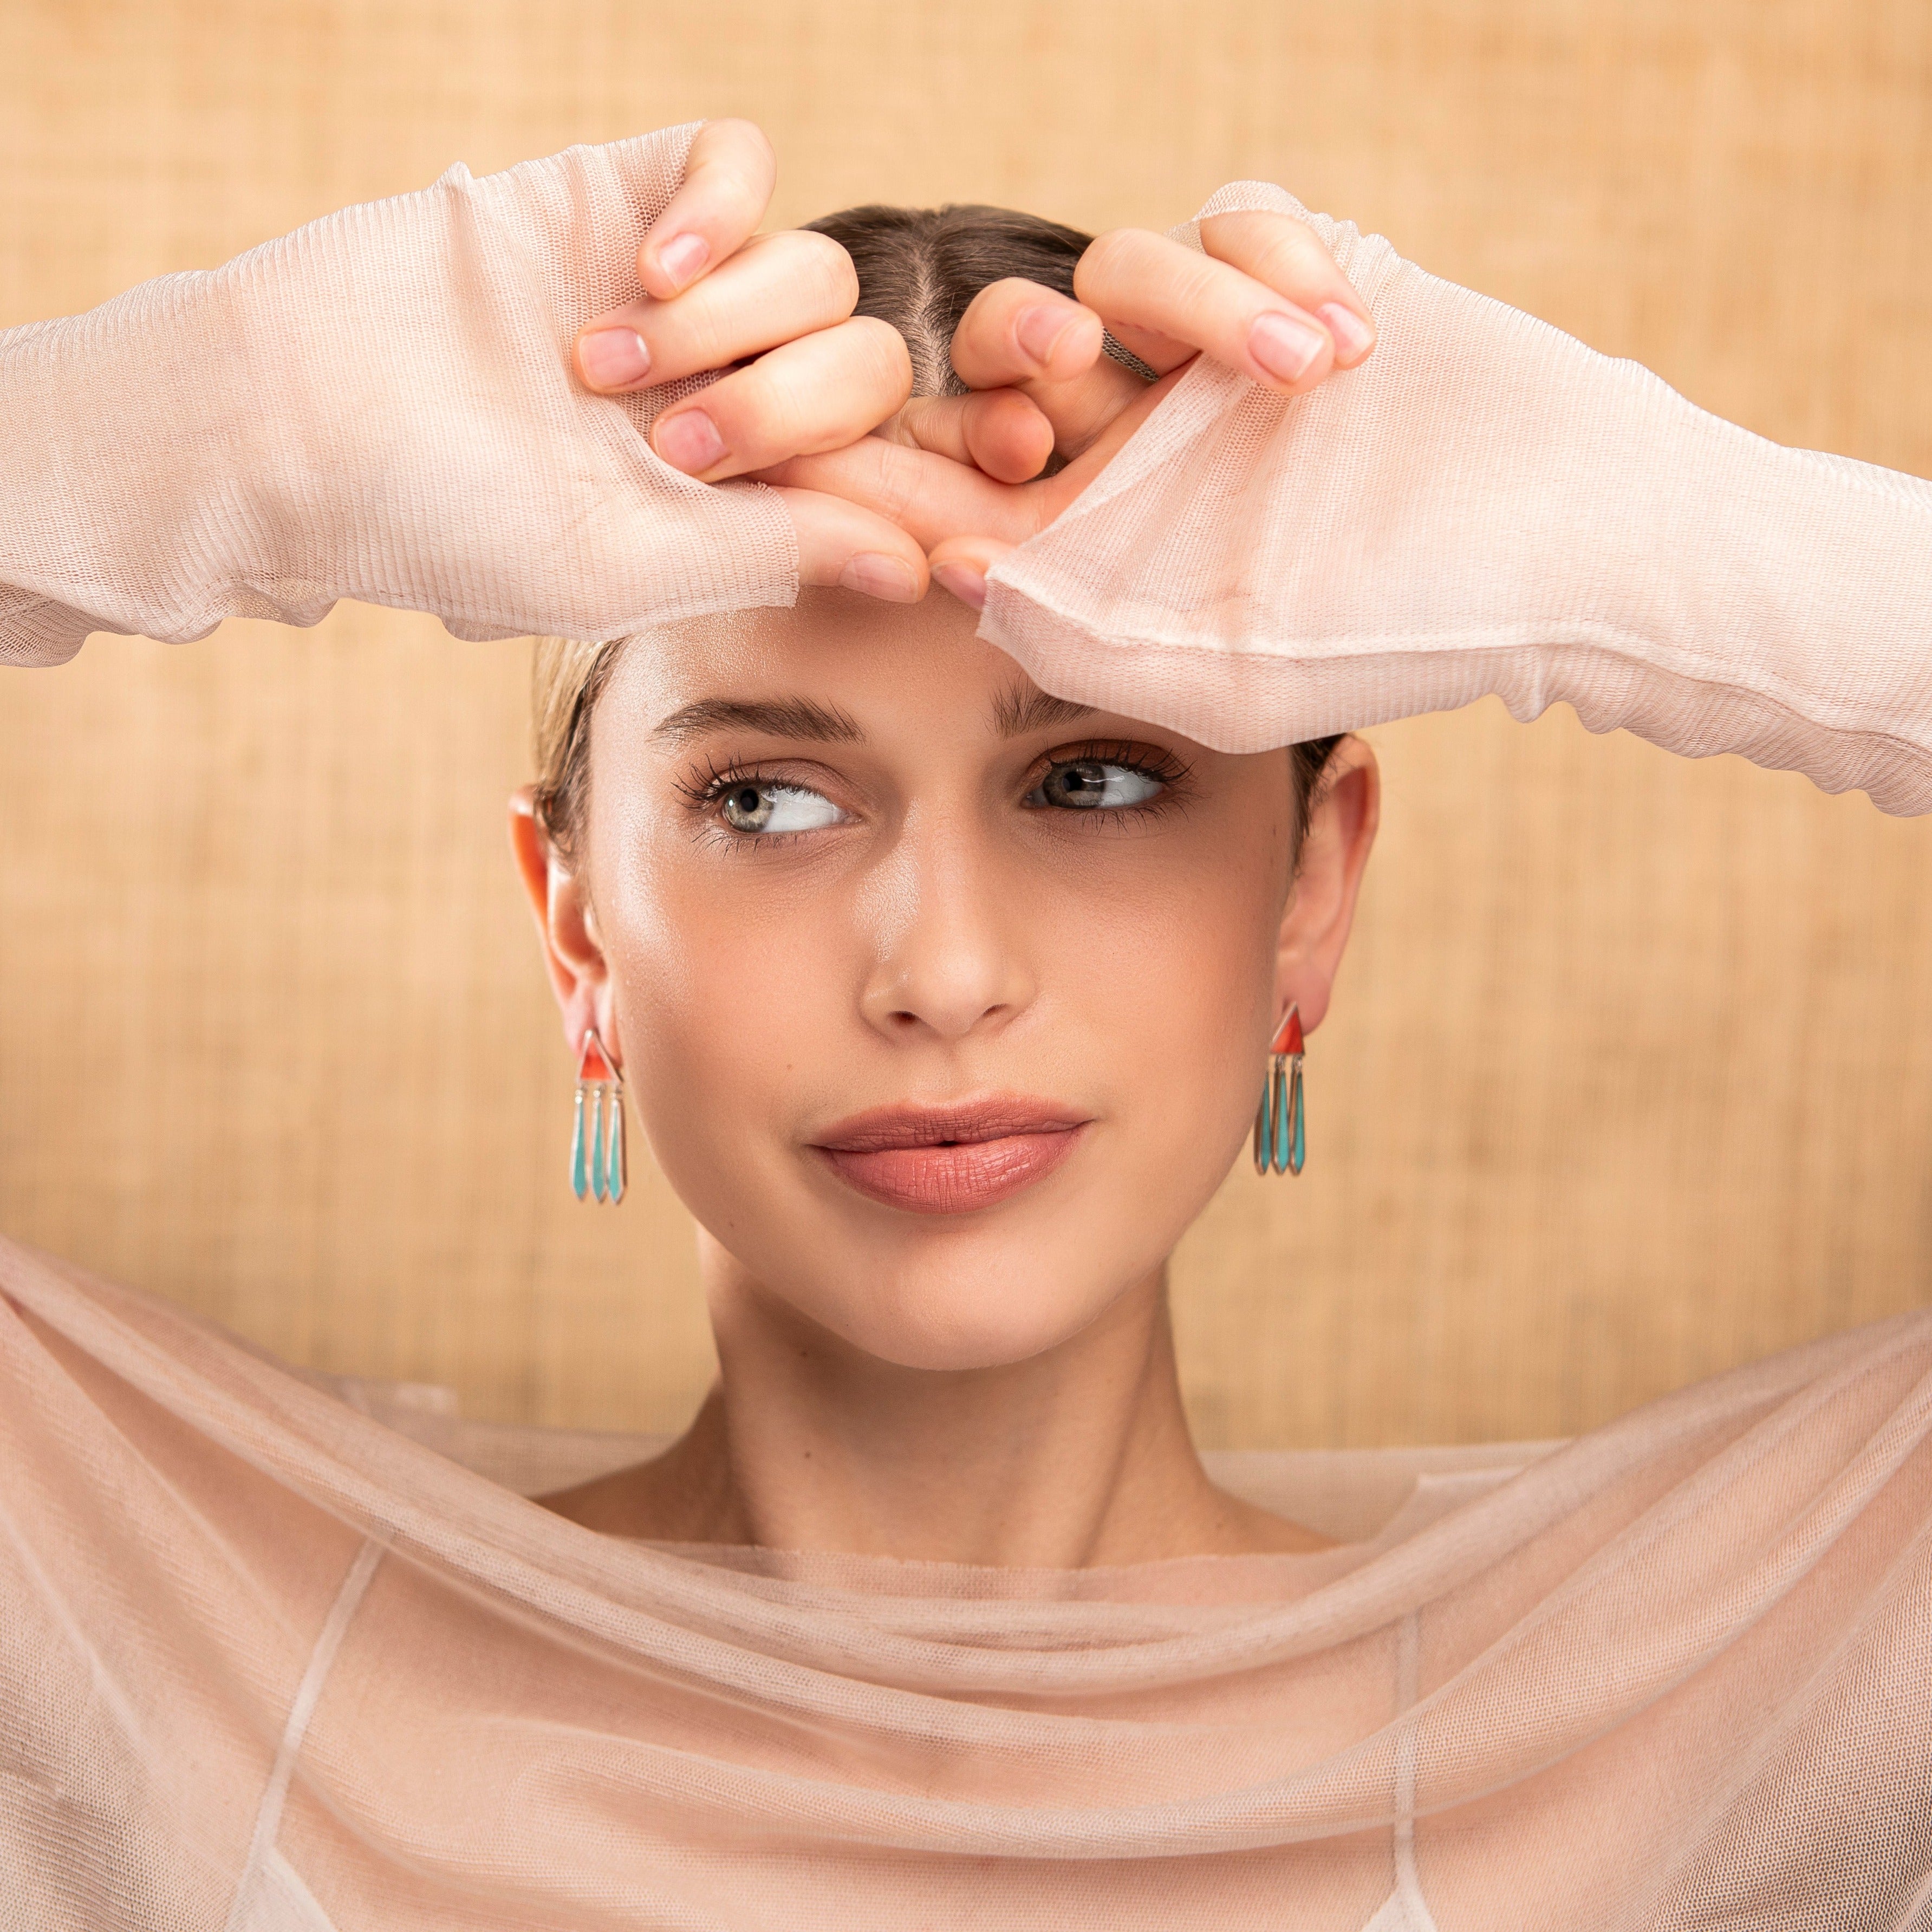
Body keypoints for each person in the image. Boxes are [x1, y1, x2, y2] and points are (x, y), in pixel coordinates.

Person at [2, 117, 1927, 1931]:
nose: (940, 970)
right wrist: (221, 424)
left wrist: (1647, 547)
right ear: (578, 929)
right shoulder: (163, 1663)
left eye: (1097, 780)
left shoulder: (1675, 1728)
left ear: (1310, 891)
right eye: (769, 800)